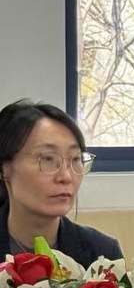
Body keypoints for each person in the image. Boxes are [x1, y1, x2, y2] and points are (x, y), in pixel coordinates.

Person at [0, 99, 122, 267]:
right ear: (5, 168)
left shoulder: (102, 253)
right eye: (47, 158)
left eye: (75, 159)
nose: (66, 176)